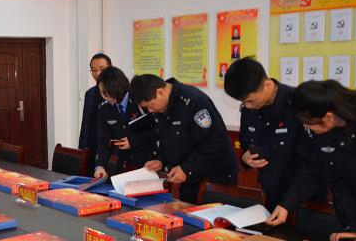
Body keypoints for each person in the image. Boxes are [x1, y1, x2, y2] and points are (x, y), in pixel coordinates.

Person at [267, 80, 356, 241]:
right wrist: (351, 227)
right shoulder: (323, 136)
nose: (307, 128)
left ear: (328, 117)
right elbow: (334, 180)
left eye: (309, 124)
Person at [224, 57, 319, 212]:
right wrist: (245, 158)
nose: (247, 106)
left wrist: (288, 203)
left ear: (267, 84)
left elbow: (312, 164)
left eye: (250, 100)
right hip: (271, 195)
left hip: (304, 201)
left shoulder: (299, 105)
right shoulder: (249, 108)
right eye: (243, 102)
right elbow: (246, 143)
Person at [130, 74, 239, 203]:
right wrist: (161, 160)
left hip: (215, 178)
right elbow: (168, 138)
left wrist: (186, 168)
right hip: (188, 177)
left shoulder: (194, 101)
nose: (150, 110)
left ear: (160, 92)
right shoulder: (160, 108)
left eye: (150, 105)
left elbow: (216, 143)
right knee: (186, 213)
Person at [93, 67, 155, 179]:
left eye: (105, 92)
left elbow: (158, 131)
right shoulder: (105, 109)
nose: (103, 96)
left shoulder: (139, 100)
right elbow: (103, 140)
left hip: (148, 165)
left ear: (116, 87)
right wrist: (100, 166)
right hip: (123, 167)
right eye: (101, 92)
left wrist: (133, 141)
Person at [79, 53, 112, 176]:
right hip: (90, 147)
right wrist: (81, 148)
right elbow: (85, 123)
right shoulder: (90, 94)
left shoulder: (116, 93)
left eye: (102, 69)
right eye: (94, 70)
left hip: (109, 151)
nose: (98, 73)